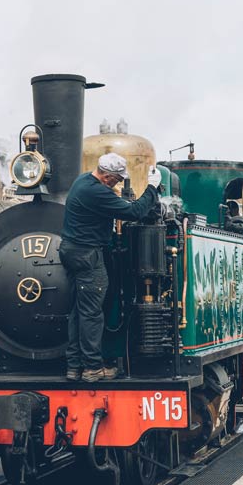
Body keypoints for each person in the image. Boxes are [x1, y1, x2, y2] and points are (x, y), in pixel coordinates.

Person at [60, 153, 158, 381]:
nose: (117, 182)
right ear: (106, 176)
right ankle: (93, 368)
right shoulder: (95, 191)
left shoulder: (83, 180)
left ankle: (74, 367)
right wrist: (152, 189)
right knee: (92, 314)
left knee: (77, 311)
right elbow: (134, 212)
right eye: (116, 179)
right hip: (87, 255)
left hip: (71, 250)